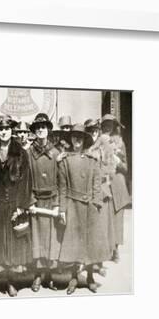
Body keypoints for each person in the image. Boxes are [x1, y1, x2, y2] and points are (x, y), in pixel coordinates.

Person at [0, 115, 35, 297]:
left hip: (12, 203)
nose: (3, 132)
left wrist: (21, 206)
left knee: (11, 245)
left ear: (12, 131)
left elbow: (26, 181)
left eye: (7, 129)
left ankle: (11, 282)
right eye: (0, 129)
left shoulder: (20, 152)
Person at [57, 124, 102, 295]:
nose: (77, 140)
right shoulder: (65, 161)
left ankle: (90, 277)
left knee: (90, 244)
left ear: (84, 141)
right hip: (72, 206)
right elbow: (62, 187)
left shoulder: (92, 161)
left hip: (90, 207)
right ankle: (74, 278)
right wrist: (63, 209)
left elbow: (96, 184)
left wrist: (96, 204)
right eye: (74, 137)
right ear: (70, 139)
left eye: (80, 137)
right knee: (74, 244)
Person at [27, 113, 62, 292]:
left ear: (48, 129)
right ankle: (37, 276)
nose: (41, 130)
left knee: (50, 240)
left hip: (51, 202)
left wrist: (57, 204)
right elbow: (25, 181)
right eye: (38, 127)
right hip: (36, 201)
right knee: (37, 241)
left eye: (44, 127)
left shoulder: (56, 154)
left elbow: (60, 180)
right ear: (34, 131)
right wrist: (31, 202)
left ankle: (49, 276)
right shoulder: (28, 154)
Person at [84, 118, 115, 281]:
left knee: (102, 229)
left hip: (103, 190)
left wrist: (105, 179)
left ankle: (100, 263)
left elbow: (111, 167)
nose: (93, 133)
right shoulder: (85, 146)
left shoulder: (105, 146)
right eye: (90, 130)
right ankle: (90, 263)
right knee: (92, 230)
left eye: (95, 130)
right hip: (89, 191)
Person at [102, 113, 131, 262]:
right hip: (105, 184)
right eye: (105, 124)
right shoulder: (99, 141)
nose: (107, 127)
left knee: (117, 218)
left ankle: (116, 250)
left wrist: (117, 160)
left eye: (110, 124)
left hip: (117, 185)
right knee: (105, 217)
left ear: (114, 126)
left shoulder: (120, 142)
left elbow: (126, 168)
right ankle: (106, 249)